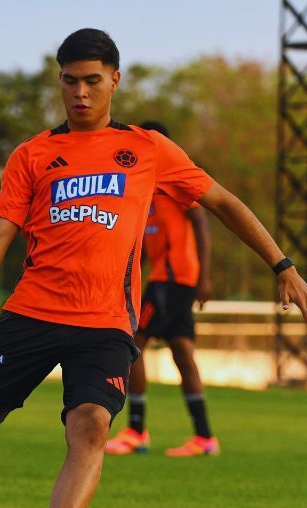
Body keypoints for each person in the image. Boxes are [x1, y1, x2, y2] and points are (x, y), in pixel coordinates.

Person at [0, 28, 307, 508]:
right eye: (70, 81)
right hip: (31, 317)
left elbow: (222, 202)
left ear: (115, 79)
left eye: (93, 81)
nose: (81, 93)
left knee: (91, 426)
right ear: (60, 82)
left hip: (106, 324)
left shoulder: (147, 148)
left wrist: (284, 267)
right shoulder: (34, 155)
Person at [105, 121, 218, 458]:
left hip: (173, 281)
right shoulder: (144, 191)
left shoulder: (175, 184)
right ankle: (204, 437)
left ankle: (137, 431)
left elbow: (201, 220)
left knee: (132, 343)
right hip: (168, 281)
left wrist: (205, 277)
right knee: (183, 354)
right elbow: (138, 245)